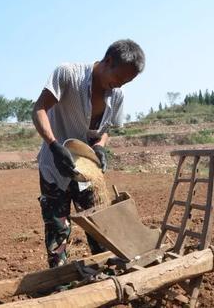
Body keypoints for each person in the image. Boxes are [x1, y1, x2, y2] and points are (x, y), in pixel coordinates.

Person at [32, 39, 145, 267]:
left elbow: (107, 129)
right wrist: (54, 146)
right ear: (108, 61)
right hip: (56, 167)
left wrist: (101, 146)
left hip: (88, 170)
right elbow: (39, 109)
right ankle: (60, 284)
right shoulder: (68, 75)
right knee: (57, 231)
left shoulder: (117, 96)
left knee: (100, 228)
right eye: (120, 79)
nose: (121, 86)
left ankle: (104, 276)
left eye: (127, 82)